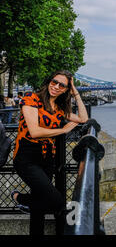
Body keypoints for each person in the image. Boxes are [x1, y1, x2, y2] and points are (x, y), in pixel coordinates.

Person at [11, 70, 88, 235]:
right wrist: (63, 130)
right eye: (54, 82)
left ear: (66, 89)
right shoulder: (31, 99)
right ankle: (19, 198)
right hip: (26, 158)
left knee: (38, 209)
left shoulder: (59, 108)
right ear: (48, 82)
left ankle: (26, 203)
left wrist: (75, 91)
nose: (57, 86)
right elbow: (34, 132)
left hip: (48, 159)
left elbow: (83, 118)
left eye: (63, 85)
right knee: (57, 200)